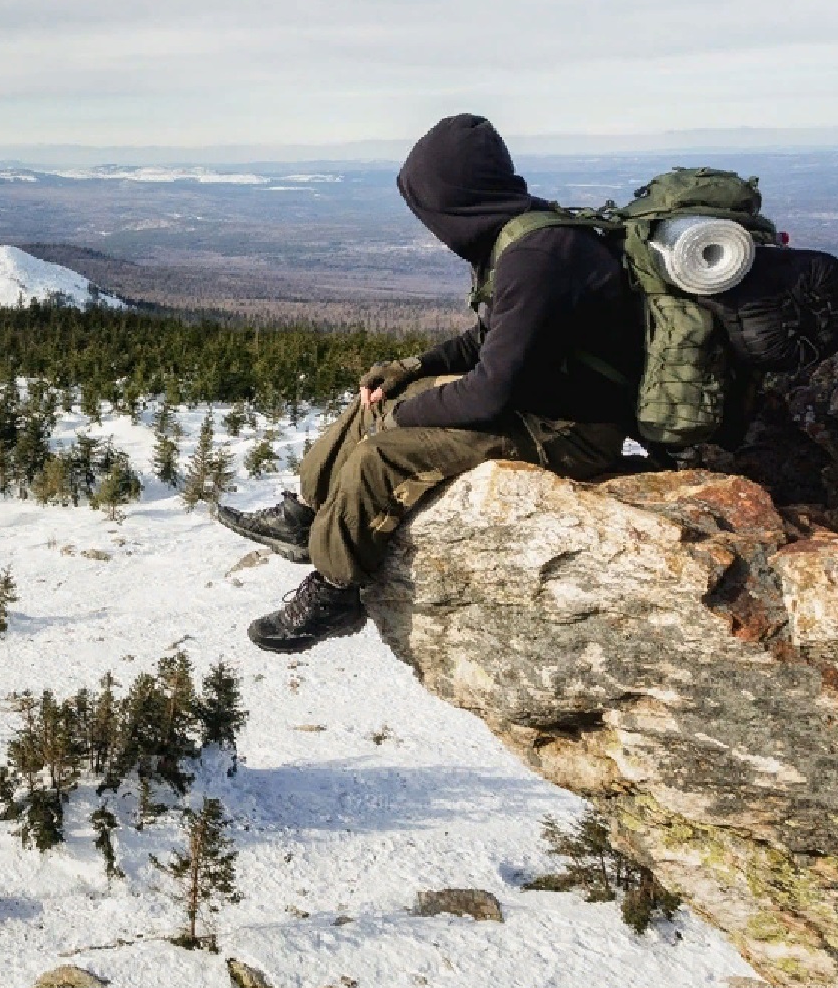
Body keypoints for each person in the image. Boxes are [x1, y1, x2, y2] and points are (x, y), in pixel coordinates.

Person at [219, 113, 643, 653]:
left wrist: (403, 419)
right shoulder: (521, 236)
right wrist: (411, 369)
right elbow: (488, 339)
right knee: (382, 398)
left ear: (457, 196)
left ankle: (335, 589)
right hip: (539, 401)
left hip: (570, 429)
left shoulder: (537, 260)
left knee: (382, 455)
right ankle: (305, 516)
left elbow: (491, 390)